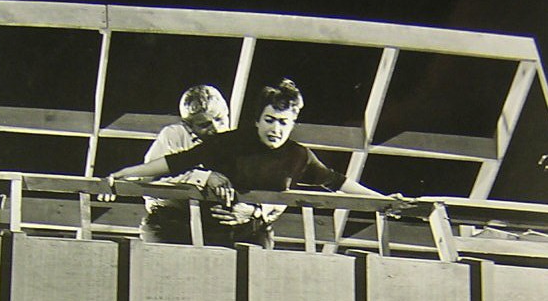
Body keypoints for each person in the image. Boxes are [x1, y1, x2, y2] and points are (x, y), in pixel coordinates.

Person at [100, 79, 408, 248]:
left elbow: (335, 181)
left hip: (250, 231)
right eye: (269, 120)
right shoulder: (225, 143)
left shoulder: (298, 155)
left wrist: (381, 200)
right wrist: (124, 173)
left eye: (283, 122)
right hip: (194, 227)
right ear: (257, 121)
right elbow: (171, 164)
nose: (275, 128)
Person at [136, 84, 231, 244]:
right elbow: (152, 176)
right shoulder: (173, 135)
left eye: (220, 119)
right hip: (167, 218)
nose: (216, 128)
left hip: (210, 222)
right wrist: (205, 177)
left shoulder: (232, 141)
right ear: (188, 126)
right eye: (204, 124)